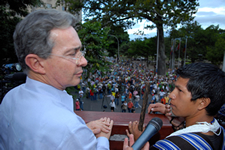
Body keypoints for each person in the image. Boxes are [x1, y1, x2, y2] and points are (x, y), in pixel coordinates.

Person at [0, 9, 113, 150]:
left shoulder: (10, 97)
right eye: (72, 53)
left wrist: (81, 132)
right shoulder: (67, 127)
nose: (84, 61)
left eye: (80, 51)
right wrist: (102, 138)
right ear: (37, 63)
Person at [124, 63, 225, 150]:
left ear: (202, 102)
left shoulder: (169, 147)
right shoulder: (220, 133)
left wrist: (140, 141)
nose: (171, 95)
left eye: (180, 90)